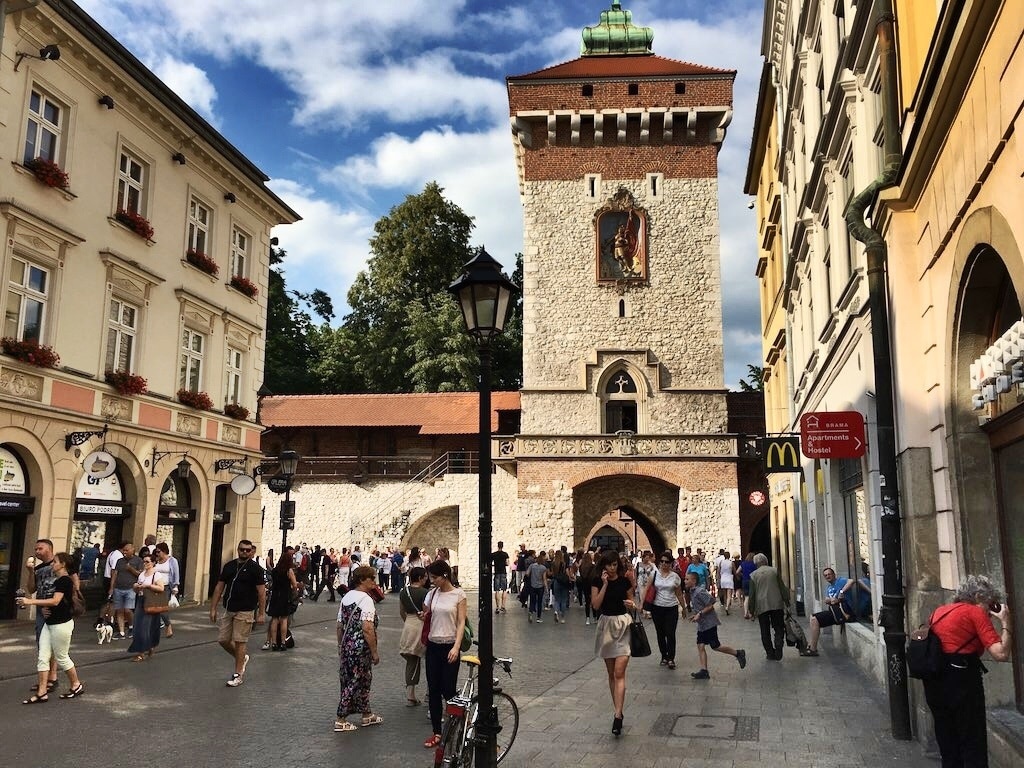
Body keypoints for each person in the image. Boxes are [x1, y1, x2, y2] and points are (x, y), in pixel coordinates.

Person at [922, 575, 1012, 767]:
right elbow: (1001, 653)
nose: (990, 609)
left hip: (934, 681)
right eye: (990, 602)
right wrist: (1006, 622)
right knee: (973, 741)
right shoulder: (975, 613)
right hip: (961, 680)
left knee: (948, 742)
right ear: (979, 596)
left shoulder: (939, 611)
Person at [19, 552, 85, 703]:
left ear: (63, 564)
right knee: (43, 657)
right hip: (49, 624)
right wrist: (44, 608)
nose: (51, 564)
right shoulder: (58, 580)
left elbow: (55, 601)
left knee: (62, 658)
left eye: (55, 562)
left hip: (61, 625)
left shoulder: (64, 581)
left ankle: (76, 685)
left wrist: (30, 602)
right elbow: (55, 603)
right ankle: (42, 692)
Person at [422, 560, 467, 749]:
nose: (432, 581)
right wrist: (423, 615)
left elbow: (461, 622)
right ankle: (437, 732)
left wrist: (456, 647)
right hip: (433, 645)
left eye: (435, 577)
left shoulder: (459, 595)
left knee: (448, 689)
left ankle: (461, 720)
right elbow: (427, 614)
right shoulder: (432, 594)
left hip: (449, 645)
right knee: (433, 690)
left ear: (445, 576)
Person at [209, 540, 266, 687]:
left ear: (251, 551)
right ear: (238, 549)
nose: (245, 552)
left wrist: (261, 613)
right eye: (242, 550)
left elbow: (261, 592)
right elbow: (219, 588)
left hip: (246, 610)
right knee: (223, 640)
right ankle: (242, 658)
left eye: (248, 550)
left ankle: (238, 674)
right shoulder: (229, 566)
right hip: (229, 608)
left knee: (240, 641)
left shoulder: (256, 569)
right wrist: (213, 608)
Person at [591, 550, 635, 736]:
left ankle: (618, 715)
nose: (612, 568)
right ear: (604, 566)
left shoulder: (625, 581)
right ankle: (617, 708)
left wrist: (633, 605)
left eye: (615, 564)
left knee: (619, 672)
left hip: (623, 625)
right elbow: (596, 604)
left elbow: (633, 602)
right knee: (611, 673)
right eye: (609, 565)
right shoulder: (597, 582)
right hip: (606, 626)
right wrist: (604, 585)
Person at [334, 565, 383, 732]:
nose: (374, 582)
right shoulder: (366, 599)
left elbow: (340, 625)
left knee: (360, 679)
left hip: (348, 646)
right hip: (361, 647)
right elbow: (367, 628)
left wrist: (341, 645)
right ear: (362, 580)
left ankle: (366, 713)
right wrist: (375, 651)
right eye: (372, 578)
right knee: (356, 680)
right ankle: (341, 718)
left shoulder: (346, 597)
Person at [685, 571, 745, 678]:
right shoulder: (692, 592)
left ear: (694, 581)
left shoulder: (699, 591)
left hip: (709, 623)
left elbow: (711, 604)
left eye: (687, 579)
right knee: (700, 645)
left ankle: (738, 653)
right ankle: (704, 671)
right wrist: (695, 615)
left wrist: (699, 614)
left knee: (716, 646)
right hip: (702, 625)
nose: (685, 581)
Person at [23, 539, 60, 693]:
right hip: (41, 609)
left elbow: (71, 584)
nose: (37, 552)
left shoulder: (59, 565)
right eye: (36, 549)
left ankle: (53, 677)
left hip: (56, 608)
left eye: (40, 548)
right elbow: (31, 589)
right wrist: (31, 572)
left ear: (49, 549)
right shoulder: (38, 568)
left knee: (54, 644)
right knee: (42, 644)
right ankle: (45, 679)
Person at [744, 553, 790, 661]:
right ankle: (778, 644)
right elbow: (782, 587)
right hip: (776, 603)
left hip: (761, 605)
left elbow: (752, 594)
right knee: (778, 626)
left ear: (755, 563)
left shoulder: (753, 575)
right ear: (766, 561)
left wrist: (751, 610)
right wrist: (787, 602)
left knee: (764, 630)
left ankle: (770, 653)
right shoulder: (774, 571)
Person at [801, 567, 853, 657]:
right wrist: (830, 600)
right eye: (826, 575)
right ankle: (811, 645)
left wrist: (841, 592)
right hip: (834, 612)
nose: (828, 576)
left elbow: (851, 581)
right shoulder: (829, 587)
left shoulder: (840, 581)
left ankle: (813, 649)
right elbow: (826, 599)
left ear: (834, 575)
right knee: (813, 617)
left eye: (829, 574)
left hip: (843, 612)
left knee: (814, 619)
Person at [398, 566, 429, 706]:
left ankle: (410, 694)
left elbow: (401, 611)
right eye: (425, 577)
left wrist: (408, 621)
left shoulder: (403, 592)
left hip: (408, 625)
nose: (426, 579)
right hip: (420, 626)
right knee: (429, 660)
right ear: (420, 578)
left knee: (411, 660)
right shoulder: (425, 593)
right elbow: (426, 611)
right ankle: (430, 692)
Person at [650, 552, 687, 668]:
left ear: (671, 563)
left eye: (666, 562)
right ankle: (664, 656)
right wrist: (641, 605)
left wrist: (684, 607)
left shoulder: (675, 576)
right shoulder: (654, 574)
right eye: (662, 561)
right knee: (660, 633)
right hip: (657, 607)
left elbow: (679, 593)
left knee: (670, 633)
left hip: (671, 607)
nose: (664, 564)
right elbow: (647, 589)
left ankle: (671, 658)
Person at [127, 553, 166, 662]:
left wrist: (148, 586)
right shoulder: (142, 574)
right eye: (144, 561)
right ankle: (148, 647)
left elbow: (161, 588)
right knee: (138, 626)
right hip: (141, 601)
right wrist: (136, 587)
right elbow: (137, 588)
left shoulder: (156, 574)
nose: (145, 564)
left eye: (147, 562)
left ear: (153, 563)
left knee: (147, 626)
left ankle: (141, 652)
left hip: (151, 602)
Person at [266, 551, 299, 651]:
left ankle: (274, 643)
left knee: (274, 619)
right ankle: (283, 643)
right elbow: (294, 585)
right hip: (285, 596)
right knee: (284, 619)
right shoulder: (289, 571)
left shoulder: (275, 570)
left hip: (275, 596)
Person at [107, 542, 141, 640]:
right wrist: (111, 588)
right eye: (124, 550)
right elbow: (115, 574)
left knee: (128, 609)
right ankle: (121, 632)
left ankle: (131, 627)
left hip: (130, 588)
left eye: (127, 550)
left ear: (132, 550)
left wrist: (130, 569)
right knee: (119, 610)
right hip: (118, 587)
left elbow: (140, 574)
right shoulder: (119, 561)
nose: (124, 552)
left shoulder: (138, 560)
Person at [153, 543, 179, 638]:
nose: (157, 554)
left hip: (166, 587)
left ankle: (168, 625)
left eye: (158, 552)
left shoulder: (172, 561)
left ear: (164, 551)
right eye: (156, 552)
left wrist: (175, 586)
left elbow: (176, 574)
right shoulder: (156, 561)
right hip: (154, 586)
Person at [525, 550, 549, 623]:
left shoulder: (532, 566)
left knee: (532, 601)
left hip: (533, 585)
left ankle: (531, 612)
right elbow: (544, 579)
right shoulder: (543, 568)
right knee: (539, 602)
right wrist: (546, 587)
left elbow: (527, 574)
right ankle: (538, 618)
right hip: (540, 587)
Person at [549, 549, 572, 623]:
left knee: (557, 599)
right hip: (563, 582)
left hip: (556, 581)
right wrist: (570, 579)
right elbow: (567, 572)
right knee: (563, 599)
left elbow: (552, 573)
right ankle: (562, 617)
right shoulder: (564, 564)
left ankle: (556, 611)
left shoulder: (553, 563)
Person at [491, 541, 510, 614]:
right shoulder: (505, 554)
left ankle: (497, 607)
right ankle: (503, 606)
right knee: (504, 589)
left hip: (497, 572)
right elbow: (507, 563)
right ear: (502, 546)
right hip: (503, 572)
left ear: (497, 546)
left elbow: (490, 562)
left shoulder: (494, 554)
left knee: (497, 590)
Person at [717, 550, 735, 615]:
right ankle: (727, 607)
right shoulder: (731, 563)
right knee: (729, 595)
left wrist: (718, 578)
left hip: (723, 579)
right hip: (729, 578)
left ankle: (725, 605)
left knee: (724, 594)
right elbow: (734, 571)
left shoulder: (721, 562)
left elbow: (718, 571)